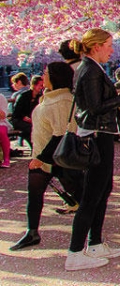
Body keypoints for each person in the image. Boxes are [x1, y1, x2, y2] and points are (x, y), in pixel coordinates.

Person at [65, 29, 120, 271]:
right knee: (92, 194)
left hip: (100, 134)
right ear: (96, 46)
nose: (112, 49)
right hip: (97, 136)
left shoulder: (91, 68)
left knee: (102, 188)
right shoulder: (89, 70)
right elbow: (96, 107)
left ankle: (94, 242)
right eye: (109, 45)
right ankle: (75, 252)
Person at [10, 62, 84, 251]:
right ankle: (31, 232)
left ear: (55, 76)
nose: (43, 77)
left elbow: (60, 134)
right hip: (45, 155)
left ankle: (93, 234)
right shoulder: (50, 97)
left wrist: (41, 158)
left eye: (46, 73)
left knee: (81, 197)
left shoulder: (62, 100)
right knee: (35, 195)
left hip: (58, 157)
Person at [9, 73, 34, 148]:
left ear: (19, 82)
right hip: (30, 120)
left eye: (13, 83)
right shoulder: (32, 92)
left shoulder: (17, 95)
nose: (12, 85)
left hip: (20, 121)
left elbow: (11, 111)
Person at [0, 92, 11, 168]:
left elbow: (3, 115)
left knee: (1, 132)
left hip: (1, 122)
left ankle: (6, 159)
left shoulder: (1, 97)